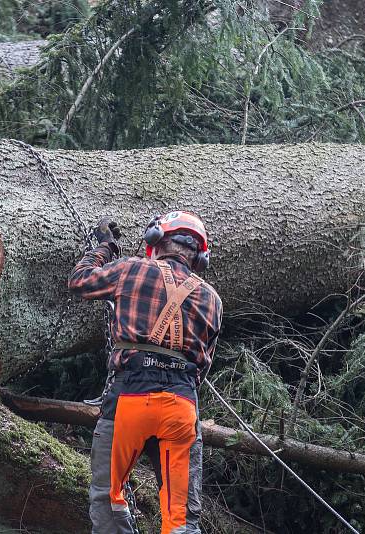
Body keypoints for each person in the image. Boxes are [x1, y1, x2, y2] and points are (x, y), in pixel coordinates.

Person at [68, 211, 223, 534]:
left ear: (156, 239)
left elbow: (80, 281)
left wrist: (105, 248)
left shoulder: (132, 268)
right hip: (181, 406)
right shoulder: (213, 299)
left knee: (108, 499)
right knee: (181, 520)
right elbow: (203, 366)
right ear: (200, 256)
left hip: (129, 399)